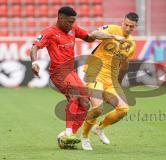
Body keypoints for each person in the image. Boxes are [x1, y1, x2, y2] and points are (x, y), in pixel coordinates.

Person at [30, 6, 125, 149]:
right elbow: (35, 47)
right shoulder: (49, 32)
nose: (72, 24)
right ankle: (68, 133)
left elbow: (90, 37)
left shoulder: (73, 29)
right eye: (69, 21)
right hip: (58, 72)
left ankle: (68, 136)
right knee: (74, 95)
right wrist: (34, 62)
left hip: (71, 71)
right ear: (60, 19)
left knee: (85, 103)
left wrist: (111, 36)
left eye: (74, 21)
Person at [81, 12, 138, 150]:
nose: (128, 28)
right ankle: (84, 137)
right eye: (126, 25)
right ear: (122, 22)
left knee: (123, 109)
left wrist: (118, 83)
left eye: (131, 26)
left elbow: (124, 65)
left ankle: (99, 128)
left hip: (110, 80)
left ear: (135, 27)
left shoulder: (131, 44)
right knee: (97, 108)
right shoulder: (112, 29)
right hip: (94, 74)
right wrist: (113, 36)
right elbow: (94, 34)